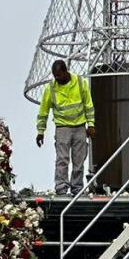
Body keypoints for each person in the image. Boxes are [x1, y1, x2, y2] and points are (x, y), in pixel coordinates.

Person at [35, 60, 94, 195]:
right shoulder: (51, 88)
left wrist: (91, 124)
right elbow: (43, 112)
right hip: (62, 128)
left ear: (66, 71)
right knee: (62, 159)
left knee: (79, 160)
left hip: (80, 126)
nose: (57, 78)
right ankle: (61, 188)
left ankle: (77, 188)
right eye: (55, 76)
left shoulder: (80, 82)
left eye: (59, 75)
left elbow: (88, 105)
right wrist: (40, 132)